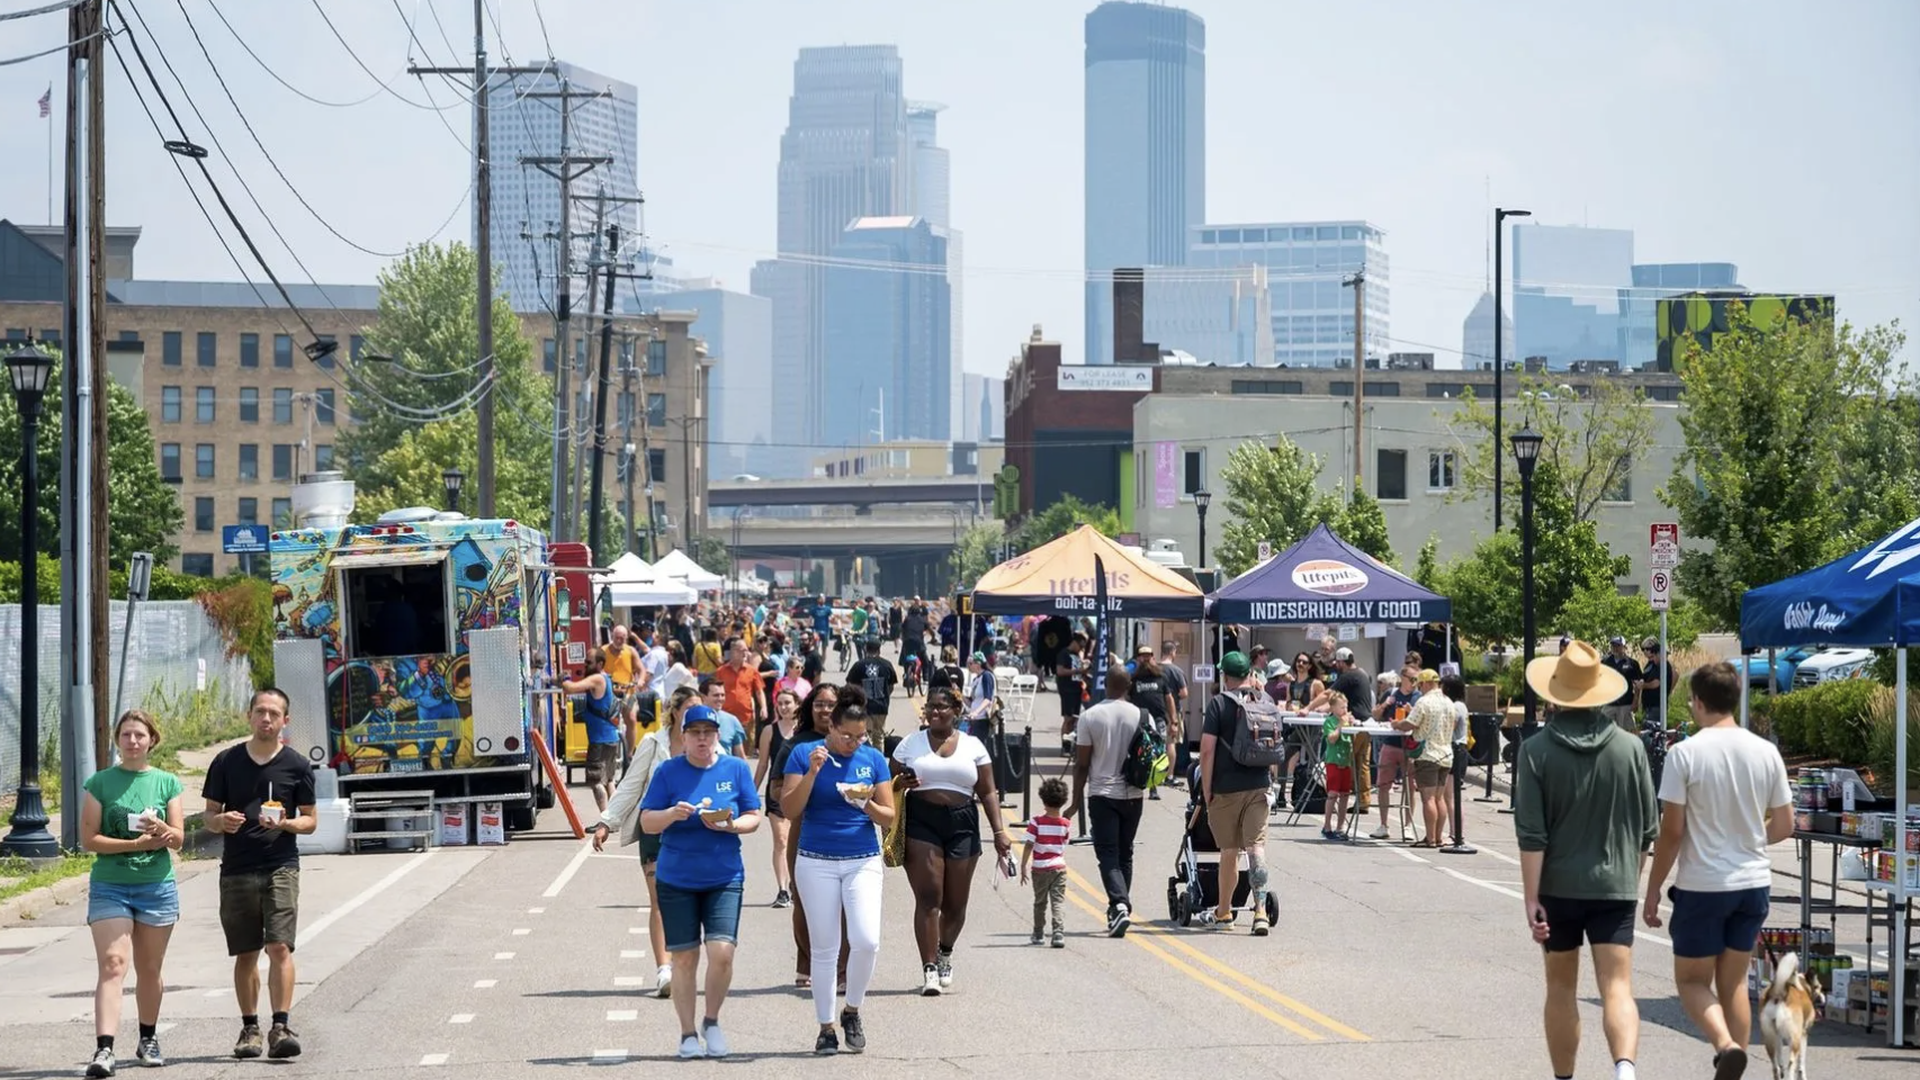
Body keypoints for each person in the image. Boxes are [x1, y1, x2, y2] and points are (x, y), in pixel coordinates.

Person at [1512, 641, 1658, 1080]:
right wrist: (1631, 880)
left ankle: (1564, 1077)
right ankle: (1625, 1069)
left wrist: (1531, 898)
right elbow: (1648, 829)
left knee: (1561, 987)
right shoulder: (1631, 749)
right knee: (1617, 987)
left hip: (1557, 887)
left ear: (1556, 692)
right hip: (1615, 884)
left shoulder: (1536, 751)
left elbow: (1532, 836)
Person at [1642, 661, 1793, 1080]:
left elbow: (1672, 831)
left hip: (1703, 884)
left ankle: (1726, 1047)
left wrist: (1653, 888)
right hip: (1753, 882)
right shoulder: (1767, 752)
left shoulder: (1684, 753)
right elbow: (1784, 825)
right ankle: (1735, 1064)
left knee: (1692, 981)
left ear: (1698, 701)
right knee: (1733, 984)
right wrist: (1746, 838)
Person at [639, 704, 763, 1059]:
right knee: (684, 959)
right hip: (677, 876)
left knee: (722, 953)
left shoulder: (735, 769)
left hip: (724, 875)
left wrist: (731, 825)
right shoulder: (668, 772)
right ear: (684, 736)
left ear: (717, 735)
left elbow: (753, 817)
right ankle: (687, 1033)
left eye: (709, 732)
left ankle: (711, 1020)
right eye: (695, 733)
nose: (702, 739)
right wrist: (672, 814)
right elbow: (648, 821)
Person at [202, 688, 318, 1061]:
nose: (266, 719)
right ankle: (249, 1027)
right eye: (260, 712)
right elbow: (209, 817)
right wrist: (221, 821)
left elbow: (311, 820)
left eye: (273, 713)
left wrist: (287, 824)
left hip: (280, 864)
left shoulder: (297, 765)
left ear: (285, 720)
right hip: (237, 867)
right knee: (247, 951)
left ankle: (280, 1026)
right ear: (249, 716)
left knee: (280, 945)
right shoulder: (225, 761)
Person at [780, 700, 896, 1056]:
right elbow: (789, 808)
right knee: (825, 947)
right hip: (816, 860)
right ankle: (825, 1027)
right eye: (847, 735)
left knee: (866, 940)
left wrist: (866, 805)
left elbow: (889, 817)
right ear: (830, 728)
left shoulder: (873, 759)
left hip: (862, 859)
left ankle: (852, 1011)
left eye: (860, 736)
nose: (854, 743)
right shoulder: (804, 754)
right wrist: (813, 774)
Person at [80, 710, 187, 1077]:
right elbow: (89, 838)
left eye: (139, 735)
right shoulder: (100, 783)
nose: (133, 741)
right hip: (111, 884)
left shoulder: (166, 783)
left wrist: (161, 829)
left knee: (149, 967)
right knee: (113, 964)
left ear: (151, 740)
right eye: (126, 735)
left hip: (156, 886)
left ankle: (147, 1037)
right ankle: (104, 1049)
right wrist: (133, 844)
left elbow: (179, 839)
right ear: (117, 740)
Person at [892, 687, 1013, 995]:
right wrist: (900, 783)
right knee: (929, 896)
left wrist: (999, 832)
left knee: (956, 904)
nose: (935, 712)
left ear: (956, 712)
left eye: (942, 707)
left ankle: (945, 951)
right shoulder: (910, 744)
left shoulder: (973, 745)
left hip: (962, 822)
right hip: (921, 820)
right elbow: (887, 783)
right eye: (931, 706)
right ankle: (929, 969)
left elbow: (987, 791)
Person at [592, 685, 698, 1000]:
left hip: (694, 833)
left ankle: (682, 962)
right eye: (689, 708)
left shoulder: (708, 746)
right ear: (675, 711)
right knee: (660, 901)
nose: (695, 717)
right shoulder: (653, 744)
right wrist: (606, 822)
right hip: (655, 829)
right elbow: (630, 786)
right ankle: (664, 969)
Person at [1066, 665, 1147, 936]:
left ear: (1106, 683)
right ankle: (1119, 908)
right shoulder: (1140, 715)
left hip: (1102, 794)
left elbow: (1081, 763)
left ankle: (1120, 905)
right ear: (1128, 686)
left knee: (1108, 854)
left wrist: (1075, 801)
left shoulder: (1090, 716)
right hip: (1134, 794)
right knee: (1126, 851)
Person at [1198, 652, 1272, 935]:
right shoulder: (1264, 700)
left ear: (1225, 676)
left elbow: (1207, 751)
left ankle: (1225, 912)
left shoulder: (1218, 704)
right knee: (1256, 847)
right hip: (1259, 784)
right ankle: (1261, 911)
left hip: (1226, 787)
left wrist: (1207, 791)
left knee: (1230, 851)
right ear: (1250, 675)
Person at [552, 648, 621, 812]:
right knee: (608, 780)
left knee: (596, 780)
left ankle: (606, 819)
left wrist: (564, 678)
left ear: (600, 664)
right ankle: (615, 817)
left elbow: (570, 688)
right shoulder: (604, 678)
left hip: (600, 740)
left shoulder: (597, 678)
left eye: (589, 662)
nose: (585, 665)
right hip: (609, 738)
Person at [753, 687, 804, 909]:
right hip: (776, 790)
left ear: (797, 705)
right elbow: (763, 763)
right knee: (781, 839)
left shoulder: (803, 731)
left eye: (788, 703)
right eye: (780, 703)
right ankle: (783, 889)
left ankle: (797, 884)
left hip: (801, 790)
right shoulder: (769, 731)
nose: (784, 707)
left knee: (798, 840)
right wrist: (750, 791)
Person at [1309, 648, 1373, 812]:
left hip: (1351, 726)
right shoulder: (1362, 673)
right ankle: (1364, 801)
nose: (1336, 665)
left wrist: (1308, 708)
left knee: (1346, 761)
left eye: (1337, 662)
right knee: (1362, 764)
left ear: (1343, 662)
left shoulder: (1348, 676)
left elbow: (1328, 694)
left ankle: (1339, 796)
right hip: (1365, 723)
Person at [1398, 669, 1455, 849]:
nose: (1420, 688)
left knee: (1428, 799)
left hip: (1428, 755)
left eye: (1420, 684)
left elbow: (1410, 723)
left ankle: (1429, 838)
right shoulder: (1449, 702)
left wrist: (1396, 724)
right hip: (1446, 754)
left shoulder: (1424, 702)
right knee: (1439, 798)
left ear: (1427, 683)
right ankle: (1438, 837)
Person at [1370, 667, 1420, 840]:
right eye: (1412, 679)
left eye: (1416, 680)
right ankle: (1384, 824)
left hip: (1409, 745)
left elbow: (1421, 720)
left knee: (1410, 786)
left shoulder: (1418, 697)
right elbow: (1375, 715)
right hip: (1390, 744)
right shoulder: (1391, 693)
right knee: (1383, 784)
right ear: (1403, 678)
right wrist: (1385, 704)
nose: (1414, 683)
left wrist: (1411, 709)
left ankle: (1408, 826)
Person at [1021, 777, 1072, 948]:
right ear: (1064, 801)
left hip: (1040, 868)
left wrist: (1023, 865)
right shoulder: (1066, 824)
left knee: (1040, 902)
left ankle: (1038, 933)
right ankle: (1058, 933)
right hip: (1059, 867)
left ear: (1043, 799)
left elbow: (1029, 845)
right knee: (1057, 901)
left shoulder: (1036, 822)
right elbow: (1064, 844)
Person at [1128, 648, 1172, 802]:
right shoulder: (1133, 679)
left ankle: (1154, 787)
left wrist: (1173, 720)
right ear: (1138, 659)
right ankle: (1136, 781)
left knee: (1157, 752)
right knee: (1137, 751)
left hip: (1158, 720)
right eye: (1143, 656)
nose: (1146, 659)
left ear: (1153, 657)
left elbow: (1169, 699)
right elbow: (1127, 698)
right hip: (1139, 719)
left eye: (1148, 656)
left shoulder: (1161, 677)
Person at [714, 637, 766, 749]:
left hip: (746, 718)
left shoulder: (752, 671)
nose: (745, 653)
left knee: (746, 750)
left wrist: (764, 708)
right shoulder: (721, 672)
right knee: (726, 749)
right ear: (733, 652)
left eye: (746, 650)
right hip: (725, 717)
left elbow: (759, 691)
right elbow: (713, 691)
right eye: (742, 650)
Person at [845, 637, 898, 745]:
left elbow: (850, 686)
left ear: (865, 649)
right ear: (879, 649)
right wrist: (884, 696)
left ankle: (867, 759)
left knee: (865, 736)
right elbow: (891, 686)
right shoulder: (886, 664)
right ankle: (878, 760)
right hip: (881, 707)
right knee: (879, 736)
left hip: (864, 707)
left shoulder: (859, 665)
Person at [1320, 693, 1355, 839]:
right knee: (1332, 793)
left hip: (1345, 761)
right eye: (1341, 707)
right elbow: (1332, 739)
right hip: (1333, 760)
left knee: (1345, 794)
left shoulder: (1348, 720)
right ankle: (1327, 825)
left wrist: (1352, 724)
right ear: (1333, 708)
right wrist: (1340, 725)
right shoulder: (1330, 721)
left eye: (1346, 706)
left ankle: (1340, 826)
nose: (1344, 710)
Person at [697, 675, 751, 758]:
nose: (720, 699)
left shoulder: (732, 720)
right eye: (716, 695)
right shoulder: (692, 719)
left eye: (722, 695)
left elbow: (740, 756)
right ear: (703, 697)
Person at [1601, 636, 1643, 732]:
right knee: (1604, 731)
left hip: (1626, 704)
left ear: (1624, 647)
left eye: (1618, 645)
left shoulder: (1632, 664)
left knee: (1628, 732)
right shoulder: (1605, 662)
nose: (1615, 648)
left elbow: (1638, 684)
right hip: (1609, 704)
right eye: (1613, 645)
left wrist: (1636, 701)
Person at [1055, 634, 1087, 753]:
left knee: (1074, 719)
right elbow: (1060, 671)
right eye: (1080, 646)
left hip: (1076, 689)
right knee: (1068, 719)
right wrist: (1078, 670)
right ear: (1074, 642)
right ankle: (1065, 745)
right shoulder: (1064, 654)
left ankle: (1070, 743)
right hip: (1067, 690)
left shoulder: (1077, 655)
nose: (1081, 649)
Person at [1637, 638, 1675, 723]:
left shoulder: (1663, 665)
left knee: (1651, 732)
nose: (1646, 652)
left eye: (1653, 656)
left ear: (1658, 654)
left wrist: (1643, 685)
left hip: (1656, 706)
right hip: (1649, 705)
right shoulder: (1653, 665)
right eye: (1644, 649)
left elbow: (1656, 683)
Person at [962, 653, 997, 744]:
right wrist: (959, 694)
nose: (968, 666)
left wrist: (976, 712)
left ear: (978, 664)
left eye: (970, 663)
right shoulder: (976, 680)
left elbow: (988, 699)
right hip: (974, 720)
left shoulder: (987, 676)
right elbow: (971, 703)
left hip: (983, 719)